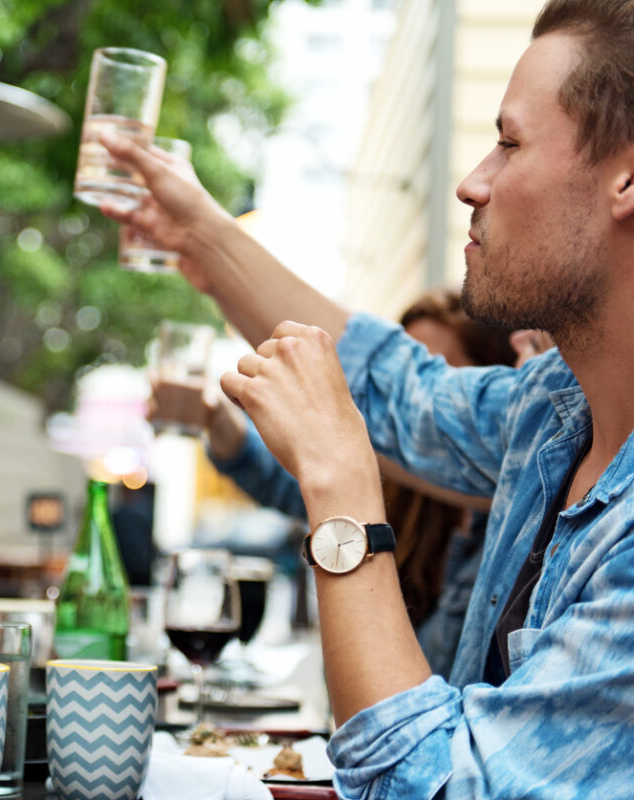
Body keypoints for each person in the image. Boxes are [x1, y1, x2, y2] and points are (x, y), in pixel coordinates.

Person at [104, 0, 634, 795]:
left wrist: (339, 486)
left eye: (508, 143)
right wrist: (200, 235)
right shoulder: (554, 408)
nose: (471, 182)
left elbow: (433, 785)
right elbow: (393, 389)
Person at [163, 288, 517, 677]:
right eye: (405, 377)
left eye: (434, 376)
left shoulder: (514, 524)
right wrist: (216, 418)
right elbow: (282, 482)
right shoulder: (405, 492)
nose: (409, 399)